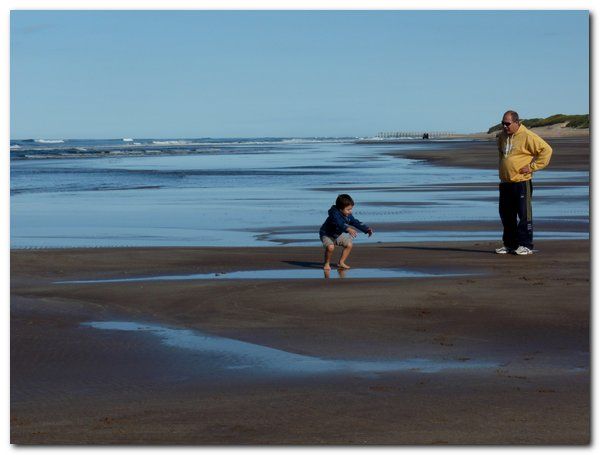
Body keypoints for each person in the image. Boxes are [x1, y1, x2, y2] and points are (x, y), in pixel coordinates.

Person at [495, 110, 552, 255]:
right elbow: (502, 154)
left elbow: (546, 150)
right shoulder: (502, 136)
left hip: (521, 182)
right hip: (506, 182)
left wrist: (532, 167)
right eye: (503, 123)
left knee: (524, 215)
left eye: (507, 124)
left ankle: (525, 245)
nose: (505, 126)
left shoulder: (527, 136)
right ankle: (510, 244)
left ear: (516, 122)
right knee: (506, 215)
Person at [319, 194, 373, 270]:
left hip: (337, 235)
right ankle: (327, 264)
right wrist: (348, 229)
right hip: (326, 234)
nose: (350, 211)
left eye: (351, 209)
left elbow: (354, 222)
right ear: (340, 209)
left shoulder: (347, 215)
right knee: (330, 247)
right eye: (348, 209)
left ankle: (341, 262)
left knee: (349, 245)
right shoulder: (334, 214)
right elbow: (339, 223)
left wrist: (366, 229)